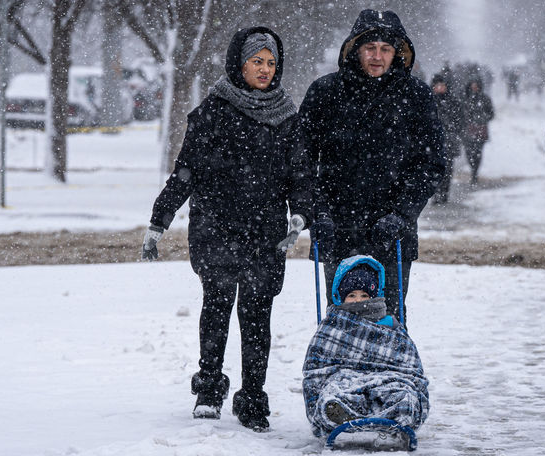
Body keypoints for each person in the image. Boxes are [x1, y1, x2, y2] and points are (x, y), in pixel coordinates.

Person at [140, 27, 313, 431]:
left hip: (265, 231)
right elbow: (185, 172)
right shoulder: (213, 110)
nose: (265, 69)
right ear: (240, 63)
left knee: (257, 316)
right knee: (216, 308)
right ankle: (209, 389)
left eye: (271, 62)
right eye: (257, 61)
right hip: (216, 225)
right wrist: (158, 221)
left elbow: (301, 175)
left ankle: (253, 398)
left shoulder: (288, 115)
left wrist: (301, 215)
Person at [299, 9, 446, 326]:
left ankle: (391, 374)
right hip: (337, 227)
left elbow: (431, 163)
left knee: (389, 319)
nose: (377, 56)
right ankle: (340, 374)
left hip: (391, 232)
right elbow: (302, 162)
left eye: (386, 49)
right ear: (355, 49)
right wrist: (318, 212)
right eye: (370, 48)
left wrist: (402, 214)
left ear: (398, 53)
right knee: (341, 320)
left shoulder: (416, 96)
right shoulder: (324, 93)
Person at [302, 256, 429, 437]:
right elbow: (317, 368)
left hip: (388, 378)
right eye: (352, 295)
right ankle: (339, 413)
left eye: (364, 295)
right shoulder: (333, 324)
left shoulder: (389, 323)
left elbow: (408, 364)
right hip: (343, 379)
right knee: (333, 394)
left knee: (402, 395)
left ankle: (398, 412)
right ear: (341, 297)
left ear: (373, 296)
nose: (358, 301)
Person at [430, 72, 464, 204]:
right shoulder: (427, 100)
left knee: (447, 169)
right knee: (432, 170)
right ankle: (435, 194)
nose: (439, 88)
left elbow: (460, 120)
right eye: (437, 85)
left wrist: (452, 130)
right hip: (431, 142)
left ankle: (444, 193)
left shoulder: (453, 101)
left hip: (448, 141)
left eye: (442, 85)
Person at [461, 77, 494, 185]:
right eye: (472, 86)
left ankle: (474, 173)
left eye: (476, 86)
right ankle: (472, 169)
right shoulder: (465, 98)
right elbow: (459, 113)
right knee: (469, 153)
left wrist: (481, 119)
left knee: (478, 153)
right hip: (467, 130)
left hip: (481, 130)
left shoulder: (485, 99)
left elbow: (491, 114)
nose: (474, 88)